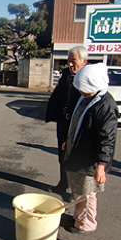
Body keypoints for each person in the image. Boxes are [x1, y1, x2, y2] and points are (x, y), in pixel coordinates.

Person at [63, 63, 118, 233]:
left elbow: (107, 139)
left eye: (85, 89)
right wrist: (69, 141)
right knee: (79, 190)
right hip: (79, 153)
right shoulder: (88, 98)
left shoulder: (106, 106)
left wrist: (101, 165)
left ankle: (86, 224)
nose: (81, 92)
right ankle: (78, 216)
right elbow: (77, 123)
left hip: (90, 160)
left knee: (87, 193)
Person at [45, 45, 88, 197]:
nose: (70, 64)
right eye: (68, 61)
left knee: (75, 157)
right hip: (64, 122)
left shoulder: (88, 79)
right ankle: (63, 183)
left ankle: (76, 191)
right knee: (62, 155)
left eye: (73, 61)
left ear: (84, 61)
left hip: (78, 125)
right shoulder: (66, 76)